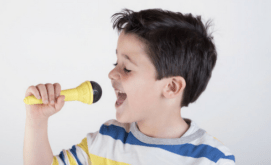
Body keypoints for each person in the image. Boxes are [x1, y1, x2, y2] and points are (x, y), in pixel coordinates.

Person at [23, 8, 235, 165]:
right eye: (116, 63)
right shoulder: (106, 140)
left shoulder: (214, 159)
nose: (111, 73)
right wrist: (36, 121)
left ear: (171, 87)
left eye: (127, 68)